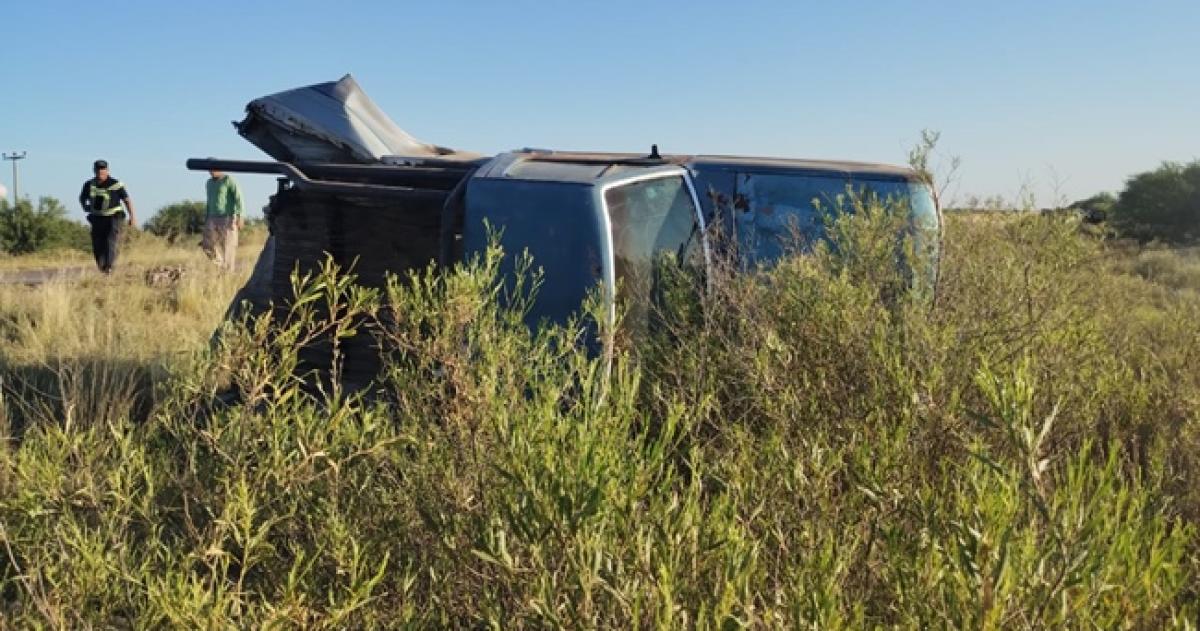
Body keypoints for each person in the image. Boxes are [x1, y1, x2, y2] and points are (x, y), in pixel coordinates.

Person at [78, 159, 136, 273]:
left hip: (114, 216)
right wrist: (85, 207)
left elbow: (127, 200)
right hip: (97, 217)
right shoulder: (89, 184)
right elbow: (82, 198)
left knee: (111, 240)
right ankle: (102, 268)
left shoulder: (115, 184)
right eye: (98, 169)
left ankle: (109, 267)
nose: (101, 171)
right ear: (94, 170)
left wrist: (132, 216)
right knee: (97, 243)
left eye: (103, 169)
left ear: (107, 170)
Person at [203, 168, 244, 272]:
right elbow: (209, 200)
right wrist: (207, 217)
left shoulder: (228, 180)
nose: (211, 171)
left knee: (228, 246)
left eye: (213, 168)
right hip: (212, 217)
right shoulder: (209, 183)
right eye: (209, 169)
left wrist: (240, 215)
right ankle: (221, 265)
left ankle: (228, 273)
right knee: (207, 245)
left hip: (227, 217)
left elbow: (238, 197)